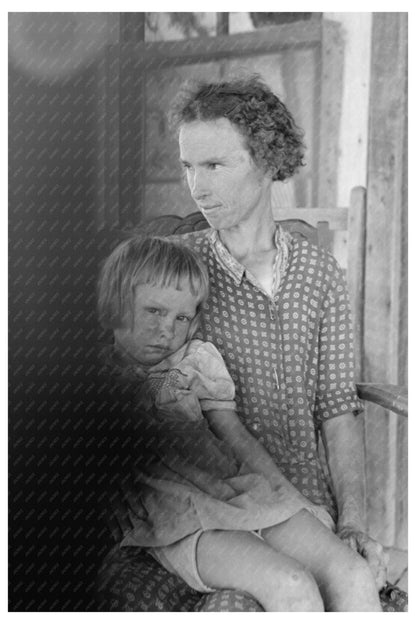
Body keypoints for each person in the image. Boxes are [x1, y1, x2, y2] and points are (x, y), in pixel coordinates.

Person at [96, 235, 381, 612]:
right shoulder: (91, 378)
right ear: (117, 305)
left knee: (353, 573)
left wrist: (292, 501)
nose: (167, 330)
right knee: (293, 584)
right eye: (153, 311)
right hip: (176, 515)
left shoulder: (196, 362)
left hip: (239, 491)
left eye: (181, 317)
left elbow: (236, 437)